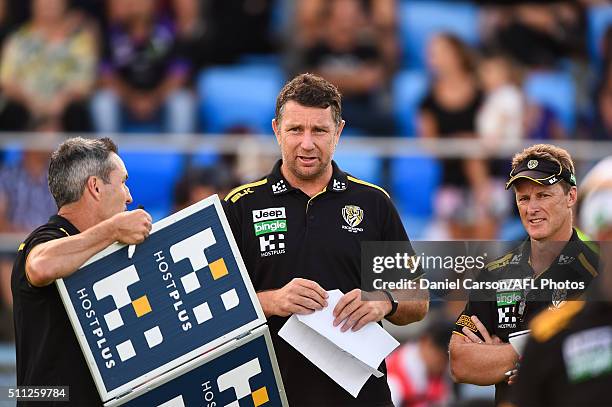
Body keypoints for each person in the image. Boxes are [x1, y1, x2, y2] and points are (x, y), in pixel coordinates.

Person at [223, 73, 429, 406]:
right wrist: (271, 301)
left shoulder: (373, 202)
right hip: (271, 395)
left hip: (362, 398)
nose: (307, 143)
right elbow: (214, 308)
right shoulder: (241, 205)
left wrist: (384, 301)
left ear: (339, 132)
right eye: (295, 130)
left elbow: (418, 299)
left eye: (319, 130)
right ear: (276, 130)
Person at [449, 144, 599, 406]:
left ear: (571, 196)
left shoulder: (600, 271)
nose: (532, 208)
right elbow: (459, 363)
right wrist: (539, 355)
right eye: (524, 198)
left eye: (543, 195)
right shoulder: (494, 274)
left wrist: (507, 356)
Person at [11, 137, 152, 406]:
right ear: (95, 187)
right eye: (122, 182)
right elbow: (41, 265)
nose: (129, 196)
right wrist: (113, 229)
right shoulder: (45, 238)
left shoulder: (104, 247)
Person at [0, 0, 97, 132]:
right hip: (26, 108)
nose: (49, 3)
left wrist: (58, 105)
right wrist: (33, 105)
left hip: (65, 109)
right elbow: (6, 81)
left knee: (77, 112)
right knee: (12, 112)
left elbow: (85, 82)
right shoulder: (17, 39)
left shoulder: (80, 40)